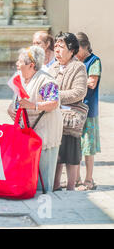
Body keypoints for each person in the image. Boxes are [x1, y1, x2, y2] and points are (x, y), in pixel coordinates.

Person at [7, 46, 63, 192]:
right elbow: (17, 101)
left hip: (45, 134)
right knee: (29, 176)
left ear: (31, 65)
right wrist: (10, 109)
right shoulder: (22, 79)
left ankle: (45, 204)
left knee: (43, 178)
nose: (17, 65)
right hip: (28, 135)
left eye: (20, 62)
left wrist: (32, 105)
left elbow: (53, 103)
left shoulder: (46, 80)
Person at [49, 32, 88, 191]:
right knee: (56, 152)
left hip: (70, 118)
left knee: (71, 154)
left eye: (61, 46)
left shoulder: (78, 67)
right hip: (54, 116)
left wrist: (55, 97)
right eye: (56, 46)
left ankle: (71, 186)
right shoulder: (53, 66)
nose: (57, 50)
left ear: (71, 50)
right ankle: (55, 184)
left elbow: (79, 92)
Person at [75, 32, 101, 191]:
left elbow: (92, 82)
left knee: (88, 146)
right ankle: (76, 178)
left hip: (88, 110)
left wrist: (73, 84)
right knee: (75, 145)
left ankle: (89, 180)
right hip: (75, 109)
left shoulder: (94, 61)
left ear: (83, 47)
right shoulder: (77, 61)